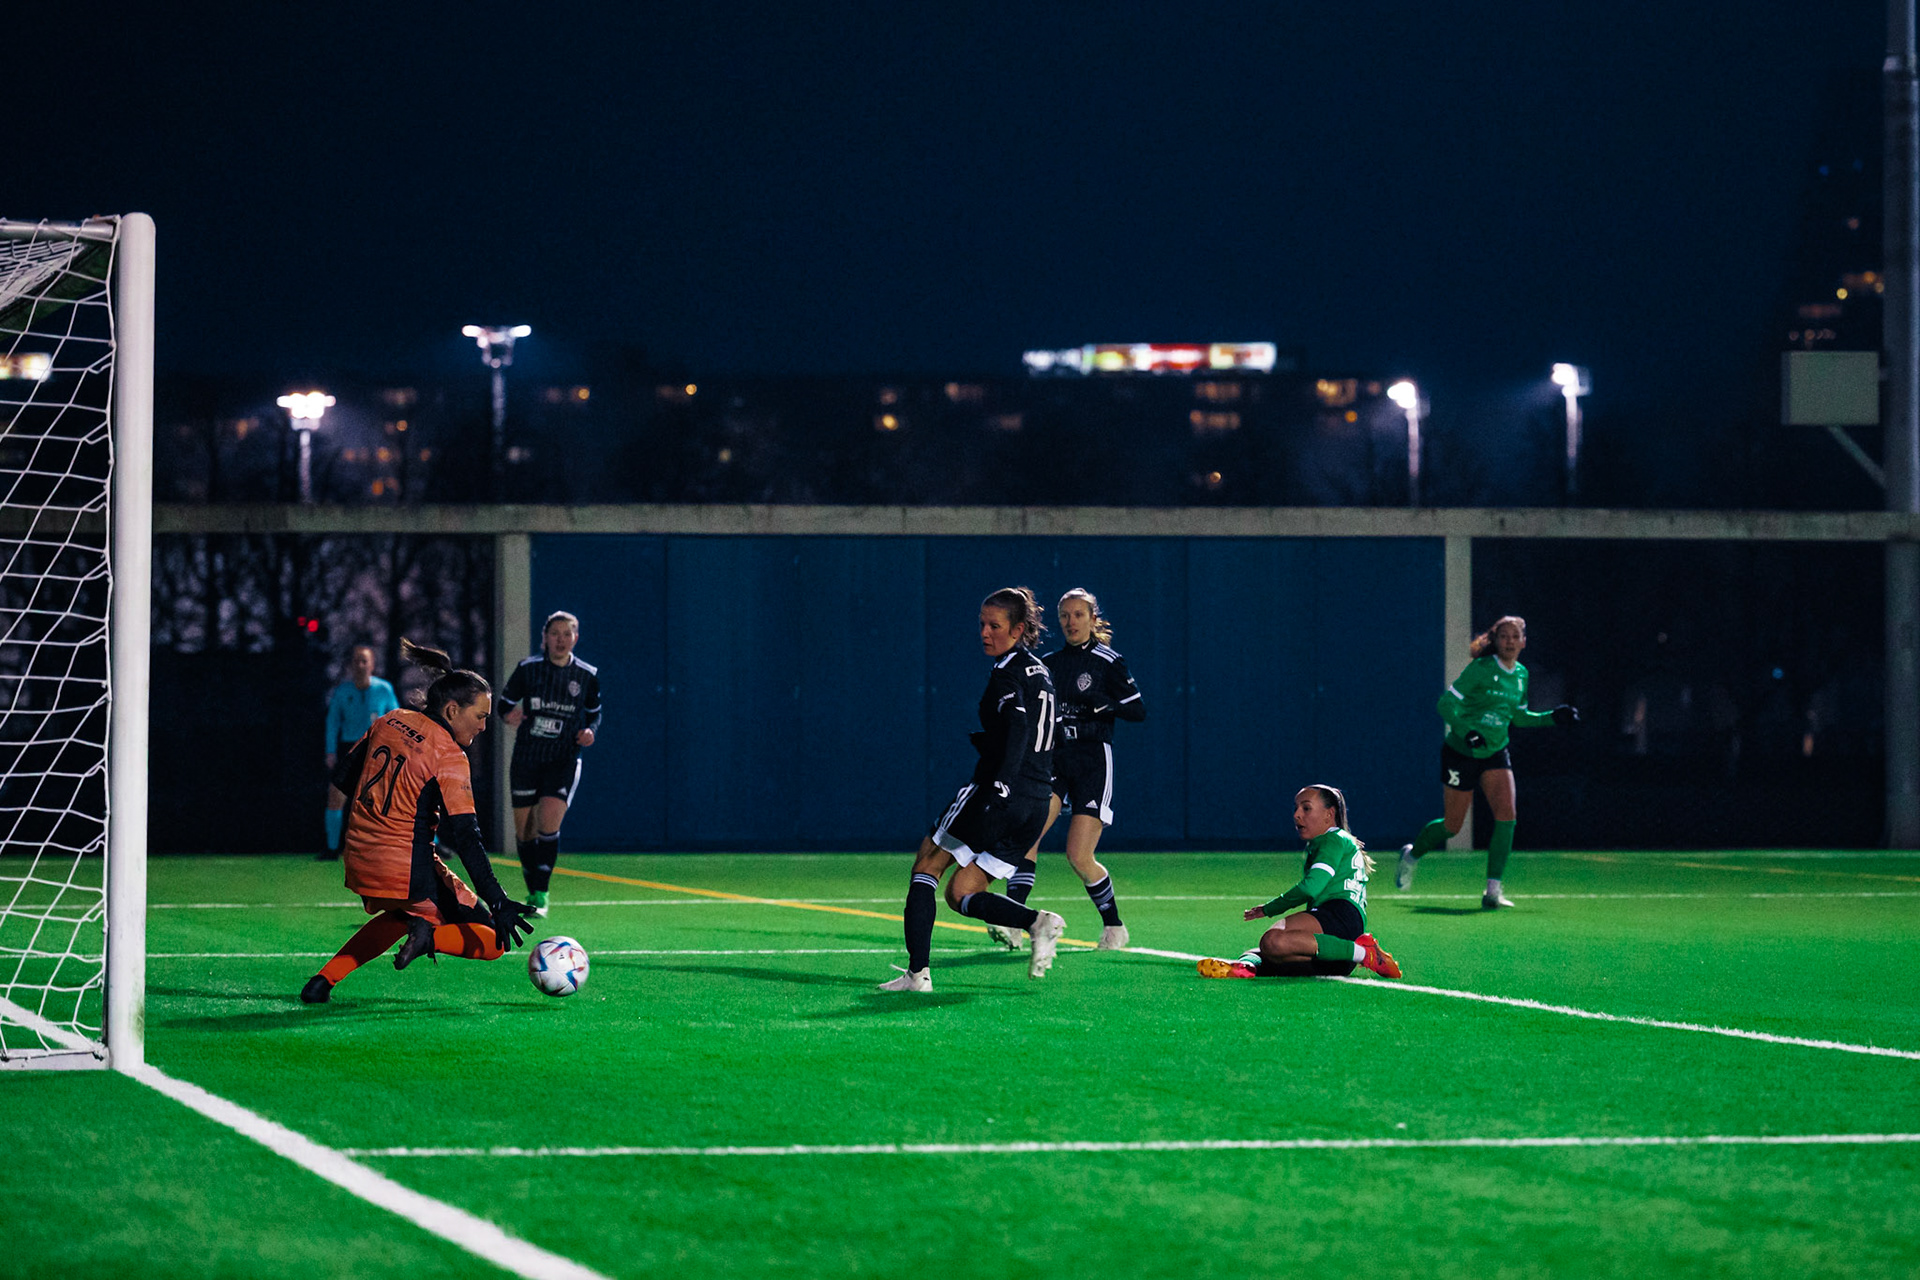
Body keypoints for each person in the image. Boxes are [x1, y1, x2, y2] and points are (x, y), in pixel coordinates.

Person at [300, 639, 535, 1004]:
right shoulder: (449, 755)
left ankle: (323, 981)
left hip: (359, 859)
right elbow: (467, 838)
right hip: (404, 868)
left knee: (401, 915)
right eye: (480, 716)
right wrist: (498, 900)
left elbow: (343, 780)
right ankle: (427, 935)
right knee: (492, 940)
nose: (485, 726)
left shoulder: (390, 720)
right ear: (453, 710)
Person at [879, 587, 1069, 992]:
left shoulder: (1006, 673)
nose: (985, 632)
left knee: (926, 865)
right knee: (962, 892)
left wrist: (1000, 781)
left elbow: (1018, 726)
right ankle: (1037, 922)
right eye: (982, 623)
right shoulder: (1042, 672)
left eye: (994, 625)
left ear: (1018, 629)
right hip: (1036, 798)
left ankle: (917, 975)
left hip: (1000, 792)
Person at [1393, 615, 1579, 909]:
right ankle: (1412, 855)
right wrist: (1468, 733)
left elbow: (1517, 716)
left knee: (1507, 816)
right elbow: (1445, 704)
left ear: (1523, 642)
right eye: (1503, 636)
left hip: (1495, 751)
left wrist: (1551, 717)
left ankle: (1493, 890)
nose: (1509, 641)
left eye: (1514, 636)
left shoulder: (1521, 674)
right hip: (1461, 751)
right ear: (1496, 640)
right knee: (1452, 826)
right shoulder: (1481, 669)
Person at [993, 588, 1144, 950]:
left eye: (1078, 615)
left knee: (1078, 856)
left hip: (1092, 762)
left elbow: (1137, 710)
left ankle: (1113, 927)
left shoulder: (1109, 661)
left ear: (1093, 619)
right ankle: (1016, 920)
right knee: (1028, 836)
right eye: (1065, 615)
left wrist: (1102, 706)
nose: (1071, 622)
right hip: (1057, 758)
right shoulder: (1050, 663)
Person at [1196, 784, 1401, 980]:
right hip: (1337, 957)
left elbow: (1311, 888)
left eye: (1306, 808)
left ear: (1329, 814)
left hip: (1339, 918)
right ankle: (1247, 968)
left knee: (1272, 940)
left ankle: (1365, 953)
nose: (1297, 815)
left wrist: (1270, 908)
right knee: (1260, 952)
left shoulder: (1333, 839)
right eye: (1296, 808)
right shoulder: (1334, 841)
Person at [498, 610, 602, 917]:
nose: (560, 640)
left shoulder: (586, 674)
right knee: (525, 832)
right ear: (545, 637)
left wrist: (589, 732)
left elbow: (595, 713)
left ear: (575, 638)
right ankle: (533, 888)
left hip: (563, 759)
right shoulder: (527, 670)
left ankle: (541, 895)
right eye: (555, 634)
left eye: (566, 634)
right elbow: (503, 704)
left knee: (548, 823)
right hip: (528, 756)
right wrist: (509, 715)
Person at [321, 644, 399, 860]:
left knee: (382, 799)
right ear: (351, 665)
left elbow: (395, 720)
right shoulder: (342, 692)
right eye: (356, 660)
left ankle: (383, 848)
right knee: (336, 796)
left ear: (372, 665)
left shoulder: (384, 689)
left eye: (364, 661)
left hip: (376, 749)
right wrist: (330, 751)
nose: (360, 665)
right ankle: (332, 848)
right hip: (348, 748)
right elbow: (333, 722)